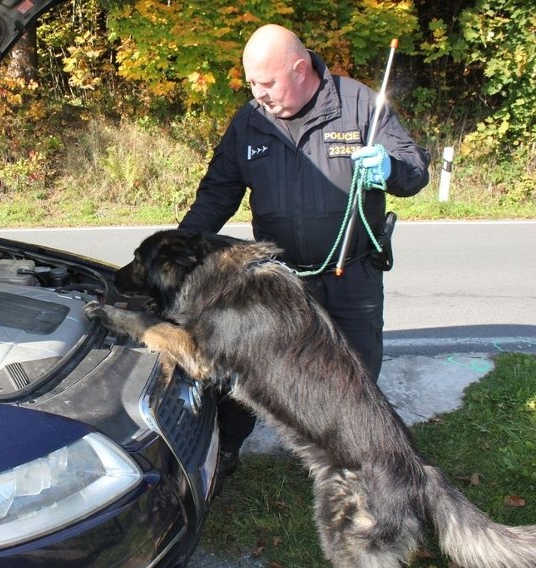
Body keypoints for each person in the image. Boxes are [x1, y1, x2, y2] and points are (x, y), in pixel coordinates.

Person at [177, 24, 430, 479]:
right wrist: (179, 249)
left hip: (351, 275)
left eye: (267, 83)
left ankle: (354, 470)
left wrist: (391, 169)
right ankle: (226, 451)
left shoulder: (359, 106)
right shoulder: (250, 122)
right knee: (254, 369)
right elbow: (217, 195)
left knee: (352, 383)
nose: (258, 93)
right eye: (251, 82)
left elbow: (413, 171)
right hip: (279, 280)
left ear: (300, 68)